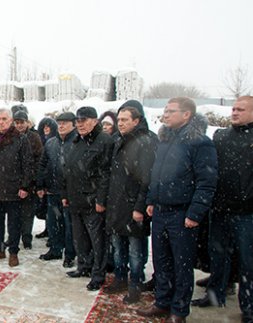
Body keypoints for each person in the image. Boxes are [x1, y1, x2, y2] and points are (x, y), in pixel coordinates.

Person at [138, 97, 217, 323]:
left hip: (182, 214)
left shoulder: (200, 143)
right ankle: (162, 302)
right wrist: (152, 200)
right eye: (165, 110)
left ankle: (179, 310)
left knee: (182, 265)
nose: (166, 114)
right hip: (161, 211)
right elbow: (157, 174)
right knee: (162, 262)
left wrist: (194, 213)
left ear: (186, 115)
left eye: (171, 111)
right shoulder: (165, 139)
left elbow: (207, 182)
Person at [191, 96, 253, 322]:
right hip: (220, 210)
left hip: (247, 213)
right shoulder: (221, 136)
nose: (235, 112)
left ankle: (249, 307)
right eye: (234, 109)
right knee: (218, 255)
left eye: (241, 109)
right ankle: (215, 294)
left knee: (248, 261)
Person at [103, 100, 157, 304]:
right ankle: (119, 278)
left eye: (125, 120)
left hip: (134, 206)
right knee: (118, 247)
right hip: (117, 204)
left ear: (137, 120)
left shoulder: (146, 141)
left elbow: (147, 179)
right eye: (119, 120)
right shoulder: (118, 140)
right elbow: (113, 174)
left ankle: (135, 284)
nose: (120, 123)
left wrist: (139, 207)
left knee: (135, 250)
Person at [61, 106, 114, 291]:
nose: (80, 124)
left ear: (95, 121)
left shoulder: (104, 141)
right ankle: (83, 266)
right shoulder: (77, 140)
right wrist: (65, 195)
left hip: (93, 202)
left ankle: (98, 275)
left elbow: (106, 174)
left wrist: (101, 200)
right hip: (76, 199)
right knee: (80, 239)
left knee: (98, 241)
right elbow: (69, 171)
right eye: (78, 121)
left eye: (84, 120)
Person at [0, 108, 32, 267]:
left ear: (10, 121)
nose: (1, 122)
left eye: (4, 119)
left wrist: (25, 186)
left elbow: (27, 165)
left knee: (14, 223)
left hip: (13, 189)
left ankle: (13, 252)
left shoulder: (21, 139)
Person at [36, 112, 77, 268]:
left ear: (73, 124)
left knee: (69, 226)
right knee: (53, 223)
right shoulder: (51, 143)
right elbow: (43, 164)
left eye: (65, 123)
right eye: (59, 123)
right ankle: (55, 249)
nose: (61, 126)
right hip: (52, 191)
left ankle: (70, 254)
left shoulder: (77, 142)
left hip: (70, 193)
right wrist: (40, 185)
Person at [13, 110, 43, 249]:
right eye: (17, 123)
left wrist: (32, 180)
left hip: (29, 181)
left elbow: (39, 160)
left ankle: (26, 238)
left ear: (27, 123)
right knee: (14, 213)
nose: (19, 125)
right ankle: (14, 237)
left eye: (22, 123)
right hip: (13, 181)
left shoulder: (34, 137)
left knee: (27, 212)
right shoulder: (11, 137)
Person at [34, 117, 58, 239]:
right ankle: (47, 229)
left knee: (54, 212)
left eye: (48, 127)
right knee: (46, 209)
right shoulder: (42, 140)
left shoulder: (54, 141)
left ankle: (53, 234)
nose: (46, 129)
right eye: (44, 127)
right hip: (45, 180)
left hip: (53, 181)